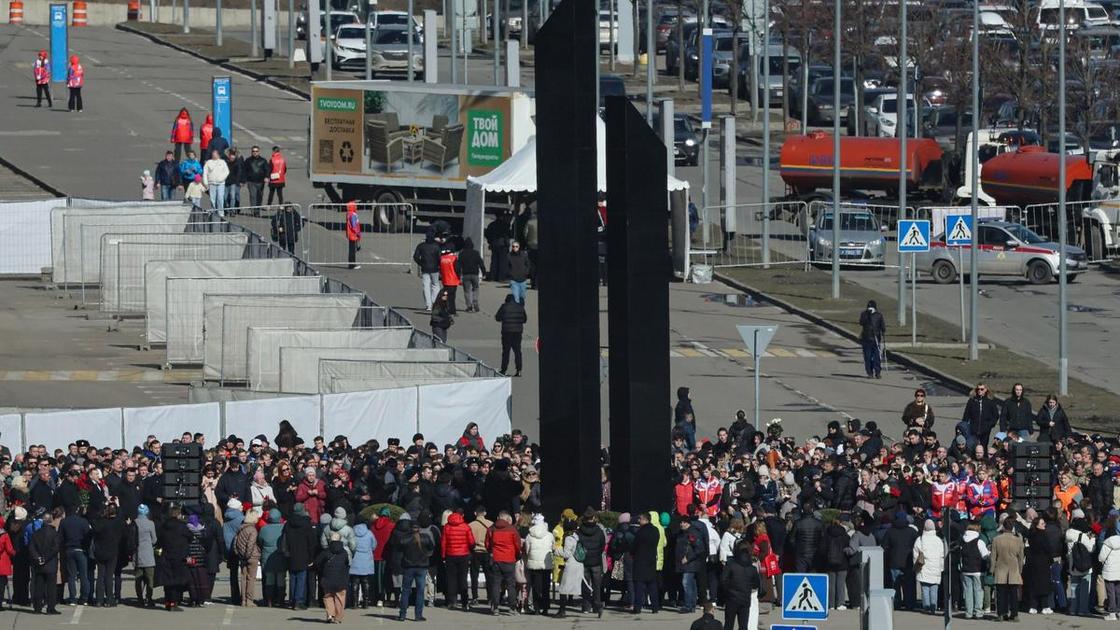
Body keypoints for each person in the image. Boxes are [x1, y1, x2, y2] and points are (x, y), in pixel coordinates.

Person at [398, 517, 434, 622]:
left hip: (408, 567)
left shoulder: (405, 538)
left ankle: (402, 614)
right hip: (422, 567)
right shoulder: (425, 537)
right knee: (420, 591)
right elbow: (431, 548)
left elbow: (399, 547)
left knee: (405, 590)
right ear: (419, 528)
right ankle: (418, 615)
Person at [282, 503, 317, 610]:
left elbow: (284, 539)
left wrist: (286, 552)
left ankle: (293, 600)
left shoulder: (288, 524)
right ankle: (299, 601)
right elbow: (311, 542)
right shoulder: (307, 524)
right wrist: (311, 557)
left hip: (291, 554)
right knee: (301, 578)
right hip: (304, 554)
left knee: (293, 578)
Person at [990, 516, 1024, 622]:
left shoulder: (996, 539)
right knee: (1014, 594)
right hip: (1014, 569)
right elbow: (1021, 557)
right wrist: (1020, 570)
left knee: (1001, 594)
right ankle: (1014, 615)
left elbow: (993, 557)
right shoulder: (1018, 540)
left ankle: (1001, 614)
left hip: (1000, 569)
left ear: (1003, 527)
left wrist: (992, 570)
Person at [28, 508, 61, 614]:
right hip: (50, 563)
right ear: (50, 520)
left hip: (39, 563)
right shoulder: (54, 533)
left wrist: (38, 558)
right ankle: (50, 607)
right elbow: (55, 549)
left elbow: (31, 548)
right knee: (51, 587)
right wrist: (45, 558)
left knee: (39, 586)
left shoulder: (36, 534)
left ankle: (37, 607)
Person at [721, 542, 760, 630]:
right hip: (745, 598)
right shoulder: (752, 568)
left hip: (731, 598)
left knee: (729, 624)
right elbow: (756, 584)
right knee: (743, 625)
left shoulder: (731, 565)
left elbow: (723, 580)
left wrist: (727, 592)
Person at [440, 510, 474, 610]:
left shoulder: (447, 527)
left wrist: (443, 556)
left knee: (451, 579)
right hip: (463, 555)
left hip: (450, 555)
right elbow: (471, 542)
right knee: (463, 579)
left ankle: (452, 601)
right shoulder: (466, 526)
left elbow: (443, 543)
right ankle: (464, 602)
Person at [317, 532, 350, 623]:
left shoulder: (326, 551)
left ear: (330, 540)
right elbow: (347, 564)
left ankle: (330, 615)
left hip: (328, 578)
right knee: (340, 598)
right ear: (340, 540)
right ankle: (338, 618)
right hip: (341, 579)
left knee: (328, 597)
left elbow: (318, 562)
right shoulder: (344, 552)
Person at [233, 509, 261, 607]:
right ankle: (249, 600)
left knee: (243, 578)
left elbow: (235, 543)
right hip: (251, 556)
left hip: (242, 556)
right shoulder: (253, 530)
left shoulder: (240, 528)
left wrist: (239, 553)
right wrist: (248, 555)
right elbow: (251, 543)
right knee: (251, 579)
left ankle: (243, 600)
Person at [960, 383, 1000, 451]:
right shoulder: (972, 401)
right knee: (972, 446)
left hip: (985, 430)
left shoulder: (990, 401)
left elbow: (995, 415)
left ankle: (983, 460)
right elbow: (966, 415)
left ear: (985, 390)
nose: (979, 391)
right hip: (973, 429)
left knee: (983, 446)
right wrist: (964, 426)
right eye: (978, 389)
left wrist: (990, 425)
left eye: (982, 389)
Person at [495, 294, 527, 377]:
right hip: (518, 332)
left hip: (506, 331)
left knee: (506, 351)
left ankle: (504, 370)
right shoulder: (520, 307)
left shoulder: (504, 307)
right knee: (517, 351)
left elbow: (497, 317)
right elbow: (524, 319)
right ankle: (519, 370)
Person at [134, 504, 157, 608]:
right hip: (148, 553)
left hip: (137, 553)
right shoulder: (150, 523)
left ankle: (140, 599)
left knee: (138, 578)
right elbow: (154, 539)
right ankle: (149, 597)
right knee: (150, 579)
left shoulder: (134, 523)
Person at [413, 235, 442, 311]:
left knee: (426, 286)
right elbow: (440, 258)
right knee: (435, 285)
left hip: (425, 268)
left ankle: (428, 305)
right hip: (435, 269)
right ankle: (434, 301)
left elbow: (415, 256)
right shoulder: (437, 246)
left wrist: (421, 263)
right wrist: (439, 265)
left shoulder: (421, 246)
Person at [457, 238, 486, 312]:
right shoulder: (476, 253)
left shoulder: (461, 254)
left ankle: (469, 306)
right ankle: (475, 301)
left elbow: (458, 266)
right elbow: (481, 264)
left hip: (466, 275)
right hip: (475, 274)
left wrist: (458, 275)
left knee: (467, 291)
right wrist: (484, 273)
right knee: (476, 289)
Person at [858, 300, 885, 379]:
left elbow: (882, 326)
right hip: (866, 339)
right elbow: (861, 322)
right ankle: (870, 373)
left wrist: (882, 332)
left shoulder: (878, 315)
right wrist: (867, 315)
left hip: (875, 339)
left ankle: (877, 372)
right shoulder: (864, 314)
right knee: (868, 357)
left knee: (876, 356)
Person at [203, 149, 230, 215]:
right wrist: (205, 183)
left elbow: (227, 172)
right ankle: (213, 211)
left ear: (218, 155)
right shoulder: (208, 162)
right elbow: (205, 173)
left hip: (221, 184)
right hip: (211, 183)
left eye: (215, 154)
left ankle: (221, 212)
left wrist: (221, 179)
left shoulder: (222, 162)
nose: (214, 156)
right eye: (213, 154)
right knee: (212, 199)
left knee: (220, 198)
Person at [485, 212, 511, 281]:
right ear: (502, 216)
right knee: (502, 262)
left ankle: (493, 276)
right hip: (502, 245)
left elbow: (487, 234)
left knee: (494, 261)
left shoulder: (492, 224)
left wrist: (490, 242)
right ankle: (501, 277)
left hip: (494, 244)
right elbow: (506, 235)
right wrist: (507, 244)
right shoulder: (505, 225)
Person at [438, 247, 461, 314]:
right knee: (452, 296)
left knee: (445, 294)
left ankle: (444, 308)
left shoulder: (442, 258)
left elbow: (440, 268)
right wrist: (459, 277)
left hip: (445, 279)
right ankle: (452, 310)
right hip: (453, 280)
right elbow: (457, 269)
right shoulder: (454, 258)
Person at [345, 201, 361, 269]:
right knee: (353, 250)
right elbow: (354, 225)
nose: (356, 207)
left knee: (352, 249)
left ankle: (351, 264)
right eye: (355, 206)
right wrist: (358, 233)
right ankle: (352, 264)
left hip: (350, 234)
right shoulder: (353, 215)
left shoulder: (348, 213)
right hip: (353, 234)